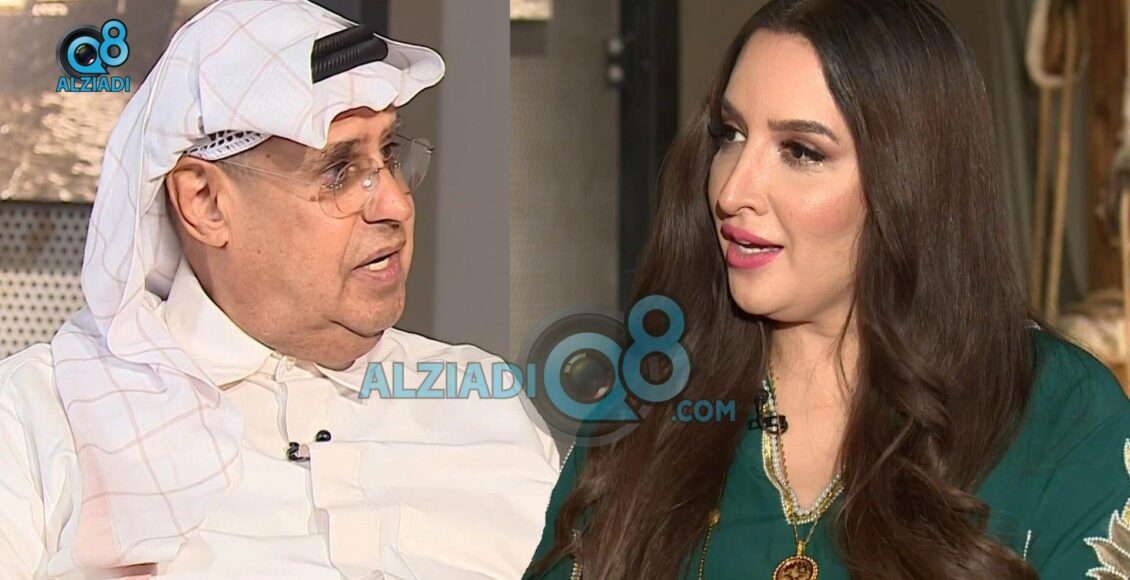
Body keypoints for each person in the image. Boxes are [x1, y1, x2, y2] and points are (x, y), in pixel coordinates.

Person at [524, 0, 1130, 578]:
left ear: (910, 182)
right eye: (730, 134)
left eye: (801, 151)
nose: (732, 190)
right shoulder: (652, 394)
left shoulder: (1059, 410)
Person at [0, 1, 559, 578]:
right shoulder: (37, 419)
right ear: (205, 203)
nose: (396, 204)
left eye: (389, 155)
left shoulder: (484, 401)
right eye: (339, 172)